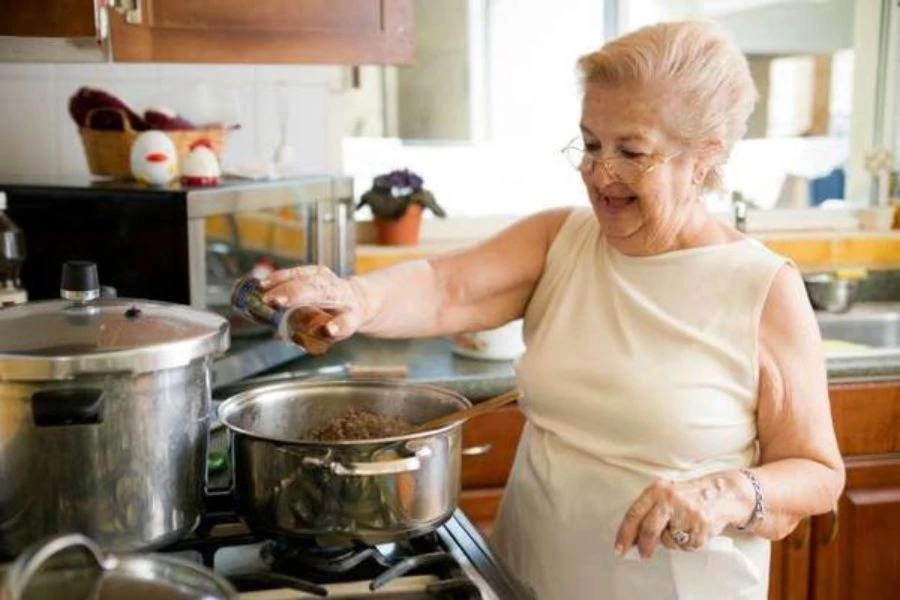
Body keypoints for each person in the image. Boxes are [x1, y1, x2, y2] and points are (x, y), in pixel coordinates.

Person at [258, 20, 845, 599]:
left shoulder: (763, 287)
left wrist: (727, 493)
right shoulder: (562, 240)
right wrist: (357, 299)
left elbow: (817, 473)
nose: (598, 172)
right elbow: (446, 287)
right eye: (590, 143)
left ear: (704, 157)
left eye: (630, 151)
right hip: (528, 578)